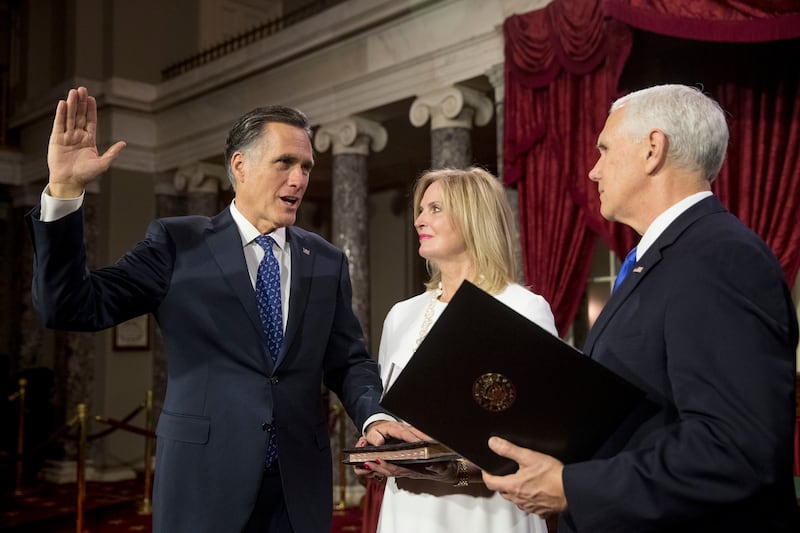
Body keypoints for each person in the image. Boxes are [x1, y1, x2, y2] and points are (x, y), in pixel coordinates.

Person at [26, 86, 416, 533]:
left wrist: (375, 414)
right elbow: (70, 307)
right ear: (240, 166)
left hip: (297, 490)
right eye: (285, 162)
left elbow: (347, 361)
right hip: (202, 484)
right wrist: (65, 190)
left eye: (306, 166)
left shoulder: (326, 259)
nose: (299, 179)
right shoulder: (177, 243)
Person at [482, 84, 799, 532]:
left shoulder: (720, 258)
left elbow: (735, 448)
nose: (593, 171)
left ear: (653, 149)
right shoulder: (664, 259)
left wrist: (574, 487)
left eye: (605, 149)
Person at [359, 167, 558, 533]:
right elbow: (391, 413)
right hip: (407, 511)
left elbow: (539, 444)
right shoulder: (401, 316)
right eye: (420, 209)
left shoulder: (523, 308)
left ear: (473, 218)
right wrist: (377, 448)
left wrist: (456, 474)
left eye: (435, 208)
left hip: (489, 514)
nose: (419, 219)